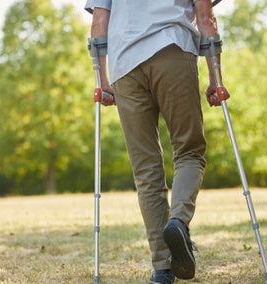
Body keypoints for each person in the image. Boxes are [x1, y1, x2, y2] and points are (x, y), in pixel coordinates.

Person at [85, 0, 230, 283]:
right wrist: (215, 77)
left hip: (124, 64)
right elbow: (206, 16)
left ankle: (163, 268)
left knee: (146, 170)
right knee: (189, 150)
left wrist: (101, 78)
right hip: (172, 50)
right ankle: (178, 222)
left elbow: (98, 24)